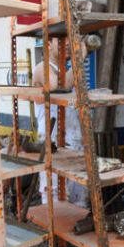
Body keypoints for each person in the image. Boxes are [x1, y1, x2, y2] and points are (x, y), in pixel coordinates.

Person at [32, 37, 88, 206]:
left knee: (80, 201)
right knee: (55, 200)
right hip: (54, 146)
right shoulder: (42, 68)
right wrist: (80, 58)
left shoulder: (68, 70)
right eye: (61, 40)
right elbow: (58, 87)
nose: (68, 44)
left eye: (70, 39)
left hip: (74, 145)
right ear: (48, 44)